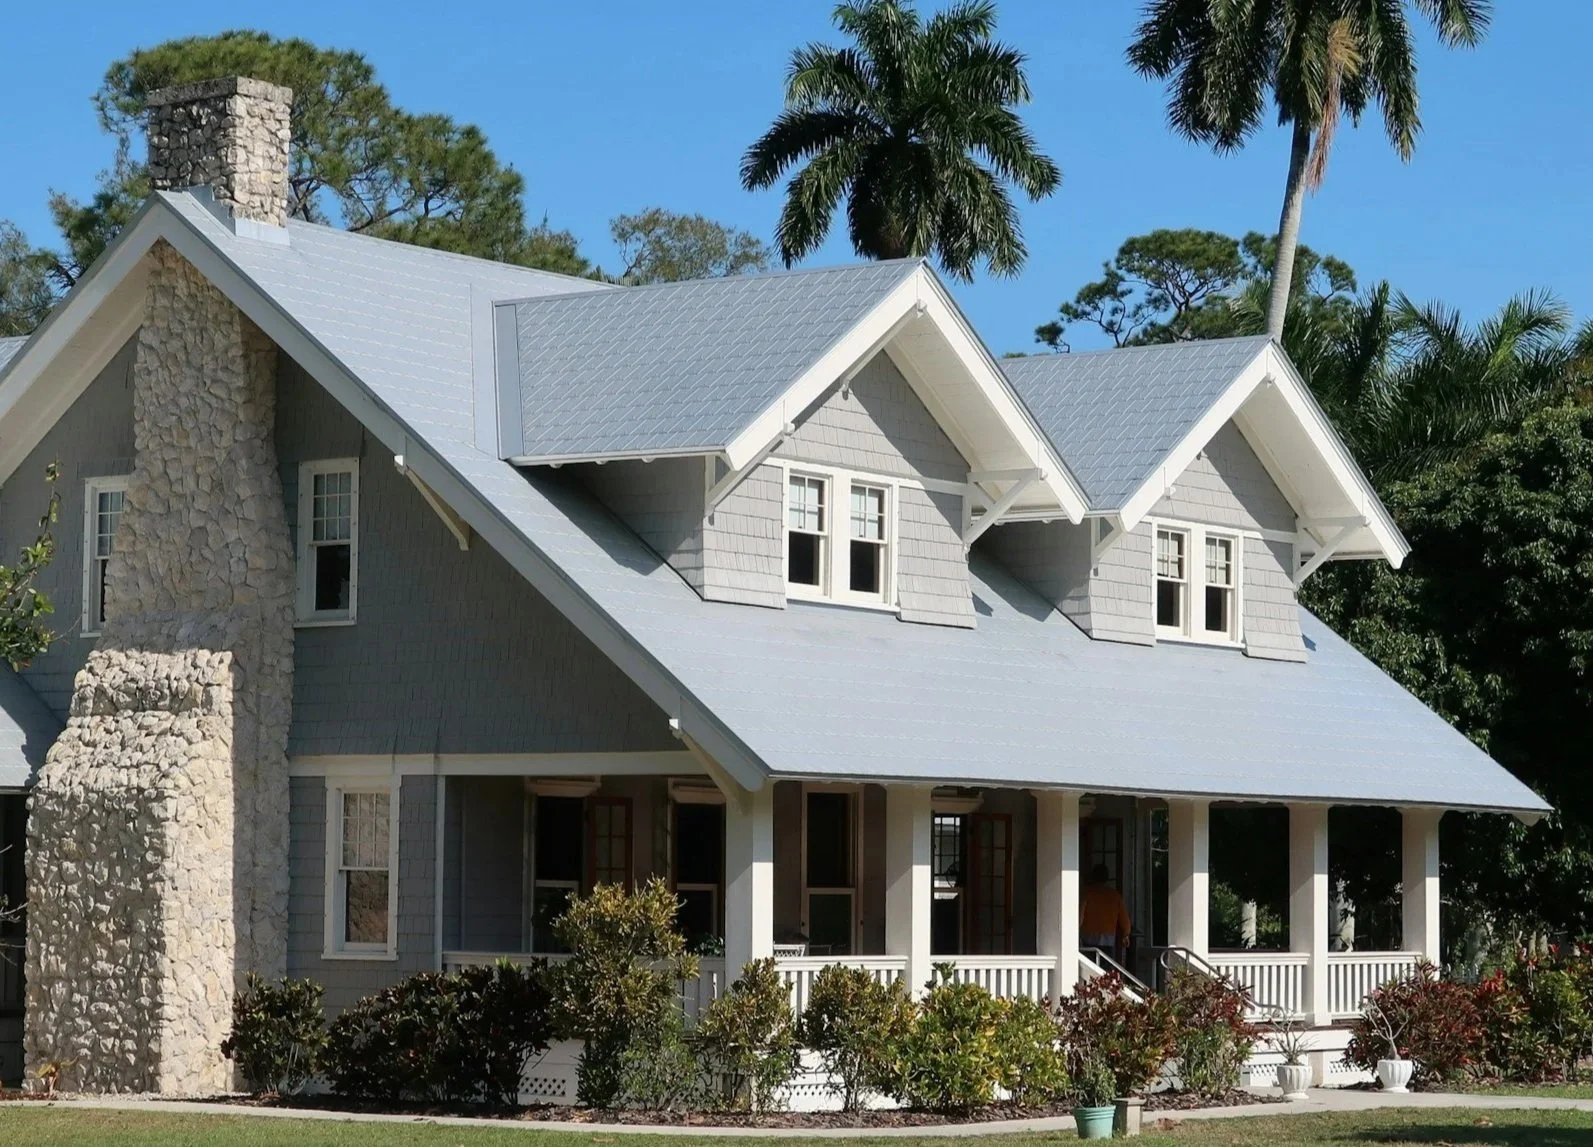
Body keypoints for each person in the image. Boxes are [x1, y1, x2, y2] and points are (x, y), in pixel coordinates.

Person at [1079, 863, 1131, 965]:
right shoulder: (1115, 896)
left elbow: (1080, 916)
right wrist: (1126, 934)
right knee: (1105, 968)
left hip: (1088, 937)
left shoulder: (1087, 894)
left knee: (1088, 965)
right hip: (1108, 939)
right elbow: (1124, 920)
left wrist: (1076, 931)